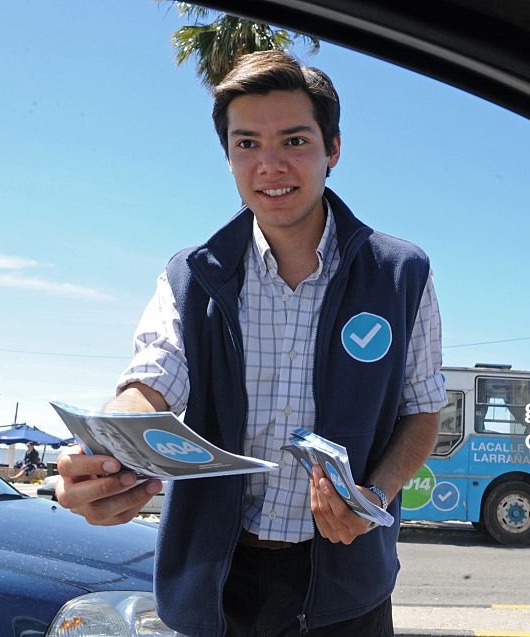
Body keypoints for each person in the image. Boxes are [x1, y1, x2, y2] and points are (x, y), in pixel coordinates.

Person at [55, 51, 445, 637]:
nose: (269, 166)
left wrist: (375, 497)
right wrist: (105, 446)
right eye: (246, 144)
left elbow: (422, 410)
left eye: (294, 140)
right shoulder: (192, 275)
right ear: (228, 157)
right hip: (216, 583)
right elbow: (151, 381)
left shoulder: (399, 273)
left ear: (332, 149)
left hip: (347, 586)